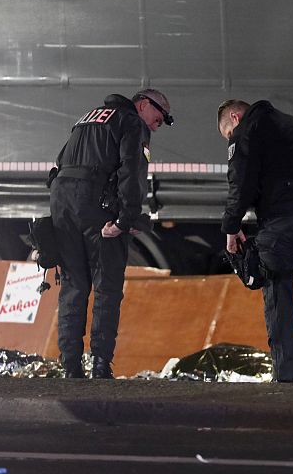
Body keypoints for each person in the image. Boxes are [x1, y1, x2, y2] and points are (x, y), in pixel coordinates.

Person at [50, 89, 173, 379]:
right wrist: (125, 218)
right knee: (107, 288)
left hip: (63, 208)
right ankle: (101, 365)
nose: (160, 123)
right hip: (99, 212)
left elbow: (58, 164)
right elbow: (133, 172)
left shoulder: (86, 119)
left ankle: (70, 365)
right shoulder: (131, 122)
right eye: (160, 115)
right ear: (143, 104)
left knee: (73, 286)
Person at [218, 99, 293, 384]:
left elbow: (241, 184)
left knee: (278, 295)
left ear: (235, 117)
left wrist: (231, 228)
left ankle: (285, 381)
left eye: (227, 134)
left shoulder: (247, 131)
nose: (230, 139)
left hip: (283, 222)